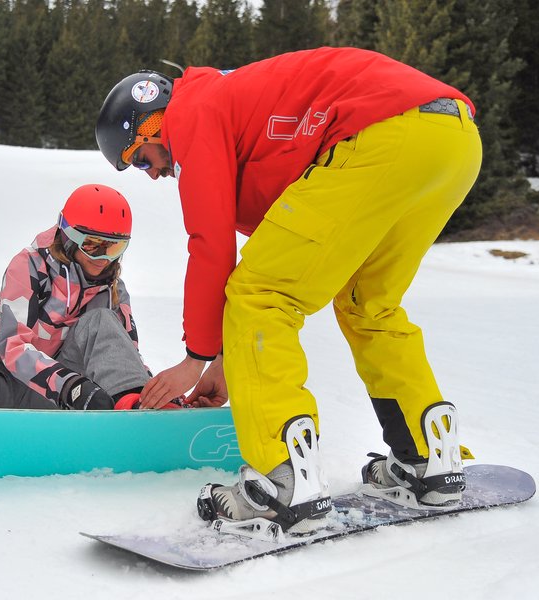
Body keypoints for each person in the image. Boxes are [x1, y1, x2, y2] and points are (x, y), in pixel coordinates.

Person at [96, 47, 481, 538]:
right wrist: (226, 361)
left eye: (139, 158)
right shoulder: (230, 103)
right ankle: (429, 459)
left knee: (258, 294)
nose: (152, 173)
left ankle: (282, 484)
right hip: (451, 139)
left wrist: (195, 357)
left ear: (149, 124)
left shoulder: (192, 114)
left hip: (383, 133)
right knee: (370, 304)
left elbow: (212, 248)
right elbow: (292, 245)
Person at [0, 183, 201, 412]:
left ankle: (140, 409)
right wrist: (70, 387)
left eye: (114, 248)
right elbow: (12, 347)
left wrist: (155, 391)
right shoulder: (28, 266)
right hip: (1, 382)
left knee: (101, 320)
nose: (103, 258)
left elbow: (123, 353)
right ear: (68, 236)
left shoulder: (114, 288)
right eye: (93, 245)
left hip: (58, 400)